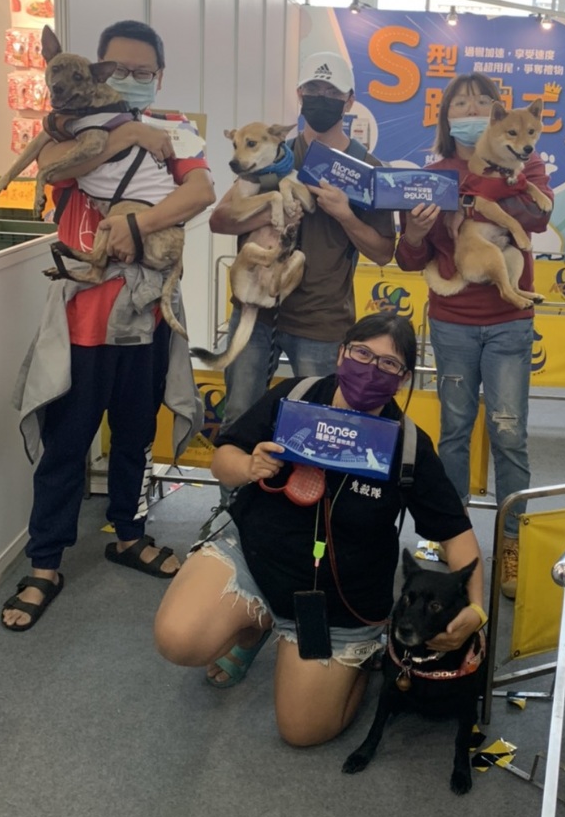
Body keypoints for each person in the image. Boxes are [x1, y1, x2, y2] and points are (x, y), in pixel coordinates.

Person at [153, 311, 485, 747]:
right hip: (256, 555)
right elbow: (222, 460)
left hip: (341, 598)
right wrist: (249, 465)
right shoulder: (297, 396)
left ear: (403, 378)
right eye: (362, 353)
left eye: (388, 363)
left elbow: (456, 533)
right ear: (341, 352)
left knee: (303, 731)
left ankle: (361, 659)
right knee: (178, 639)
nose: (371, 369)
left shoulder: (407, 445)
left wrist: (476, 611)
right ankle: (254, 625)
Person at [2, 20, 216, 631]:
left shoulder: (177, 129)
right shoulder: (67, 123)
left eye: (143, 72)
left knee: (136, 434)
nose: (130, 79)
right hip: (81, 319)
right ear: (97, 70)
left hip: (147, 317)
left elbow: (199, 191)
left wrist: (138, 224)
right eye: (118, 69)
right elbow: (54, 166)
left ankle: (128, 533)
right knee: (67, 443)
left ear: (159, 77)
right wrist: (132, 133)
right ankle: (45, 562)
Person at [394, 73, 554, 600]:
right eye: (460, 103)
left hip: (510, 319)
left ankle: (513, 543)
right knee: (455, 432)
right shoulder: (432, 176)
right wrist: (416, 232)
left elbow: (536, 218)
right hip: (452, 320)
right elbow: (410, 258)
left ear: (497, 113)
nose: (471, 110)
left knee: (510, 433)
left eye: (482, 101)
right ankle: (452, 537)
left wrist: (487, 188)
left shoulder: (527, 166)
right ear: (446, 116)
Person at [209, 51, 396, 427]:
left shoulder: (368, 170)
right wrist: (273, 209)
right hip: (256, 310)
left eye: (331, 92)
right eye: (313, 89)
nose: (320, 98)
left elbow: (382, 252)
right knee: (239, 418)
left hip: (321, 320)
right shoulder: (273, 154)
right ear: (299, 94)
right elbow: (220, 219)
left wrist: (344, 214)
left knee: (318, 426)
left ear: (349, 100)